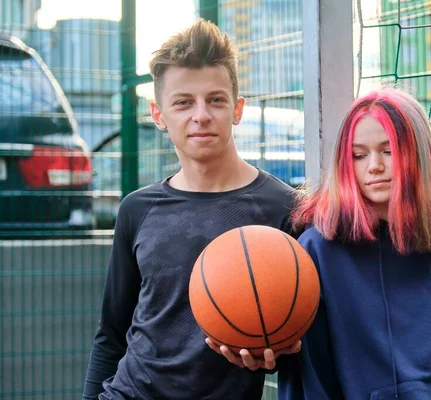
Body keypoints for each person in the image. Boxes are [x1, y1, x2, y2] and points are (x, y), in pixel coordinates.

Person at [82, 18, 300, 399]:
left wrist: (278, 354)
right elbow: (111, 335)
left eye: (216, 99)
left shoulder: (283, 207)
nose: (201, 115)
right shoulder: (137, 209)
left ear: (238, 109)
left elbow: (298, 341)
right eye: (183, 103)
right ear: (158, 115)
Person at [274, 87, 431, 399]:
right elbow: (310, 376)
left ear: (418, 153)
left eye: (388, 150)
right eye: (359, 155)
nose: (374, 166)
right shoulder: (318, 251)